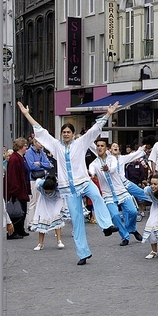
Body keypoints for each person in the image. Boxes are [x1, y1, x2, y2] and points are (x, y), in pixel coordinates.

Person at [17, 101, 120, 265]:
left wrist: (108, 114)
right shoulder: (56, 145)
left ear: (73, 134)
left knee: (97, 196)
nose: (65, 134)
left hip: (84, 182)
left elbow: (94, 130)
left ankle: (106, 225)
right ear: (61, 134)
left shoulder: (81, 143)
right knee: (77, 220)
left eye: (68, 132)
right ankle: (83, 254)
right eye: (63, 132)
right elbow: (41, 132)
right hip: (69, 189)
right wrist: (27, 114)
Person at [89, 138, 142, 246]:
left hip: (120, 189)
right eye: (98, 146)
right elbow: (92, 170)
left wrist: (108, 168)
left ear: (106, 148)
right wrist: (91, 173)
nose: (99, 148)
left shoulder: (112, 159)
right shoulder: (94, 163)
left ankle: (131, 228)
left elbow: (113, 168)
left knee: (133, 212)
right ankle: (125, 236)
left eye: (102, 146)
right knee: (115, 216)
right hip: (107, 194)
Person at [4, 137, 31, 238]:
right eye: (25, 146)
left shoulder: (20, 157)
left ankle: (20, 229)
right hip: (17, 190)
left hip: (21, 187)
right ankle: (13, 232)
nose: (26, 147)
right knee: (16, 211)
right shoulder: (15, 159)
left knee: (22, 209)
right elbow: (13, 176)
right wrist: (15, 190)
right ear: (20, 147)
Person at [30, 175, 65, 250]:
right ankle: (40, 243)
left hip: (56, 201)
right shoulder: (40, 185)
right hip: (44, 201)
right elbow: (38, 180)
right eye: (46, 191)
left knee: (56, 215)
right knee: (43, 218)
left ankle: (59, 240)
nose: (47, 193)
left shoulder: (58, 188)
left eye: (49, 191)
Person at [25, 138, 52, 232]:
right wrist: (42, 166)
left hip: (42, 179)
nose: (41, 145)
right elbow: (31, 166)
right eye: (39, 143)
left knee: (41, 201)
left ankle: (39, 221)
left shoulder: (42, 152)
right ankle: (31, 222)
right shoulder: (29, 152)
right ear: (34, 142)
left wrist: (40, 163)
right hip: (33, 179)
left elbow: (48, 164)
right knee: (34, 201)